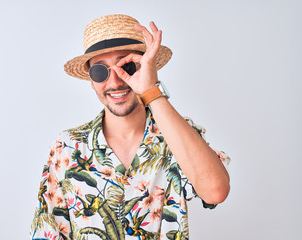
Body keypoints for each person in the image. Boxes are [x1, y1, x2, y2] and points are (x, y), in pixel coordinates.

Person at [30, 14, 230, 240]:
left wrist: (151, 91)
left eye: (127, 66)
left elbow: (215, 192)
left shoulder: (177, 136)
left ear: (146, 67)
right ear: (90, 79)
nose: (115, 82)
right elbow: (47, 231)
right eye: (100, 71)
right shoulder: (68, 147)